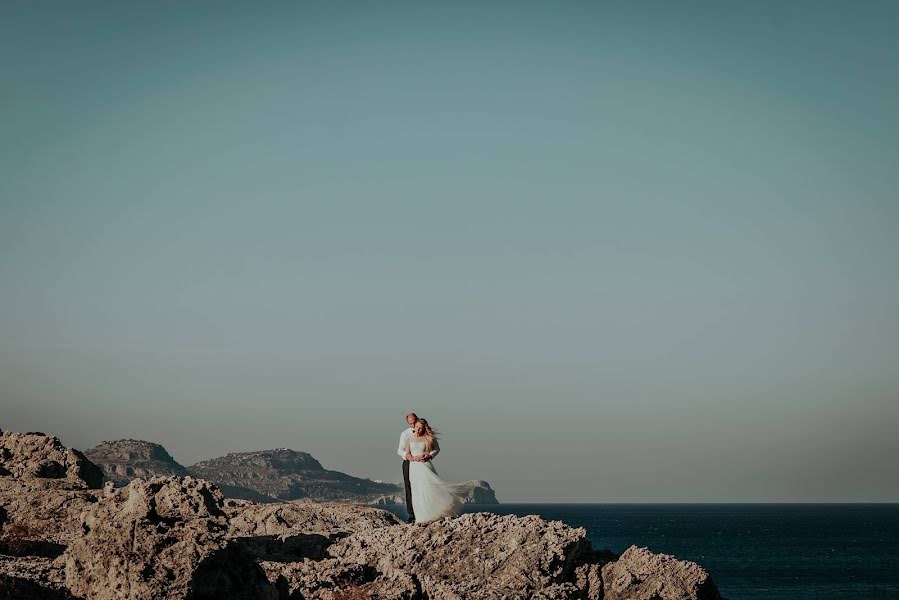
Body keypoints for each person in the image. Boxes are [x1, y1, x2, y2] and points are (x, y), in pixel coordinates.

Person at [405, 418, 479, 525]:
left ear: (424, 428)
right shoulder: (409, 439)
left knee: (429, 487)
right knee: (416, 491)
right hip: (414, 467)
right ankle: (420, 517)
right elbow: (407, 453)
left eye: (421, 428)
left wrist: (429, 455)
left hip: (425, 465)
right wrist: (413, 458)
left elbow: (437, 449)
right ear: (414, 427)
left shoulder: (428, 438)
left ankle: (432, 513)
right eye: (417, 427)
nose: (419, 429)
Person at [397, 412, 421, 523]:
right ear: (408, 423)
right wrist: (407, 455)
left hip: (421, 462)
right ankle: (411, 515)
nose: (413, 425)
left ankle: (423, 512)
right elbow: (399, 450)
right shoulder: (405, 434)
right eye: (410, 423)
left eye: (414, 422)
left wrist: (429, 455)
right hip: (408, 462)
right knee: (409, 488)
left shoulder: (424, 432)